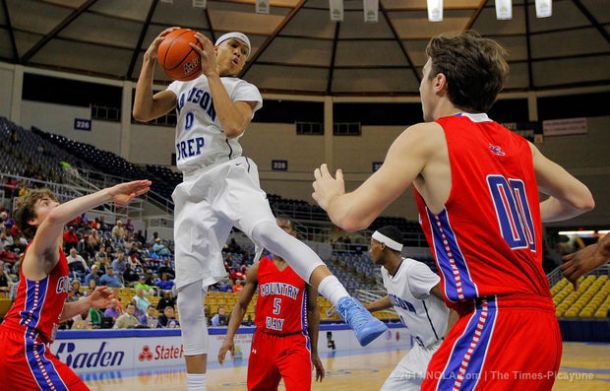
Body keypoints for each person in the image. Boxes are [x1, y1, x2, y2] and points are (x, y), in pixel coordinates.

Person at [311, 31, 595, 390]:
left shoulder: (428, 136)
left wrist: (332, 198)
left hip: (492, 322)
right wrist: (514, 216)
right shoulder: (519, 145)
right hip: (542, 326)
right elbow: (581, 199)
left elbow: (352, 217)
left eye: (424, 75)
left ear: (439, 83)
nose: (421, 86)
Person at [134, 27, 385, 391]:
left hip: (230, 174)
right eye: (234, 46)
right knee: (187, 290)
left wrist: (212, 74)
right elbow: (142, 112)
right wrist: (147, 63)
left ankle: (347, 305)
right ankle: (195, 387)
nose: (240, 54)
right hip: (191, 186)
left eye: (244, 52)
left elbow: (233, 126)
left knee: (269, 234)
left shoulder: (243, 89)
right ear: (211, 47)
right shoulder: (182, 86)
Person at [0, 180, 150, 389]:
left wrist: (87, 302)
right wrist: (109, 192)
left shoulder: (55, 256)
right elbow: (54, 218)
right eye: (45, 203)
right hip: (21, 345)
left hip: (20, 345)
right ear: (33, 220)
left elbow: (54, 314)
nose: (54, 204)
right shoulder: (40, 250)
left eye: (55, 200)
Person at [218, 217, 325, 391]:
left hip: (294, 341)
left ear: (294, 234)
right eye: (276, 228)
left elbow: (312, 310)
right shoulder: (258, 268)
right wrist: (229, 338)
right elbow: (241, 306)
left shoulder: (305, 268)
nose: (280, 231)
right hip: (263, 340)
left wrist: (314, 351)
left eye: (285, 228)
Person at [364, 226, 457, 390]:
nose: (370, 250)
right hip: (419, 350)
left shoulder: (413, 270)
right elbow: (395, 296)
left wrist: (449, 345)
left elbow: (454, 300)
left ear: (383, 246)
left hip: (439, 348)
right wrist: (367, 308)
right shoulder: (386, 272)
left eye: (372, 245)